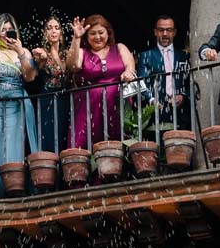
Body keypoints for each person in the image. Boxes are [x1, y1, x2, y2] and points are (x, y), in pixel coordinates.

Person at [0, 13, 38, 196]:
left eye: (9, 30)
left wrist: (21, 52)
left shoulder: (24, 51)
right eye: (2, 30)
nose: (6, 33)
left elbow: (30, 76)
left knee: (15, 145)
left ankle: (16, 189)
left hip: (18, 102)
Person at [66, 14, 136, 149]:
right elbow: (72, 66)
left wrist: (128, 73)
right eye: (92, 34)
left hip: (117, 105)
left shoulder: (119, 48)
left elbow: (130, 67)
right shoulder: (82, 52)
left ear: (108, 34)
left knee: (119, 142)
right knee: (84, 145)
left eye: (101, 32)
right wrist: (76, 38)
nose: (97, 37)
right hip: (88, 108)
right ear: (87, 36)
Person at [137, 15, 192, 127]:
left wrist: (183, 95)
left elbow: (191, 82)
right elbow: (141, 82)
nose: (165, 34)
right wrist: (151, 99)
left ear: (174, 32)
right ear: (155, 32)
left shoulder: (184, 56)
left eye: (169, 30)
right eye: (161, 30)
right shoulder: (146, 56)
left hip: (181, 113)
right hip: (155, 112)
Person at [31, 16, 69, 153]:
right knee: (48, 134)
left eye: (57, 28)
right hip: (47, 99)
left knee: (65, 131)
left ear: (61, 33)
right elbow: (39, 65)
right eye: (49, 28)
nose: (53, 31)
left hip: (65, 99)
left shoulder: (67, 54)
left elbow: (71, 69)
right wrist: (42, 58)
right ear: (44, 33)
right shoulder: (41, 52)